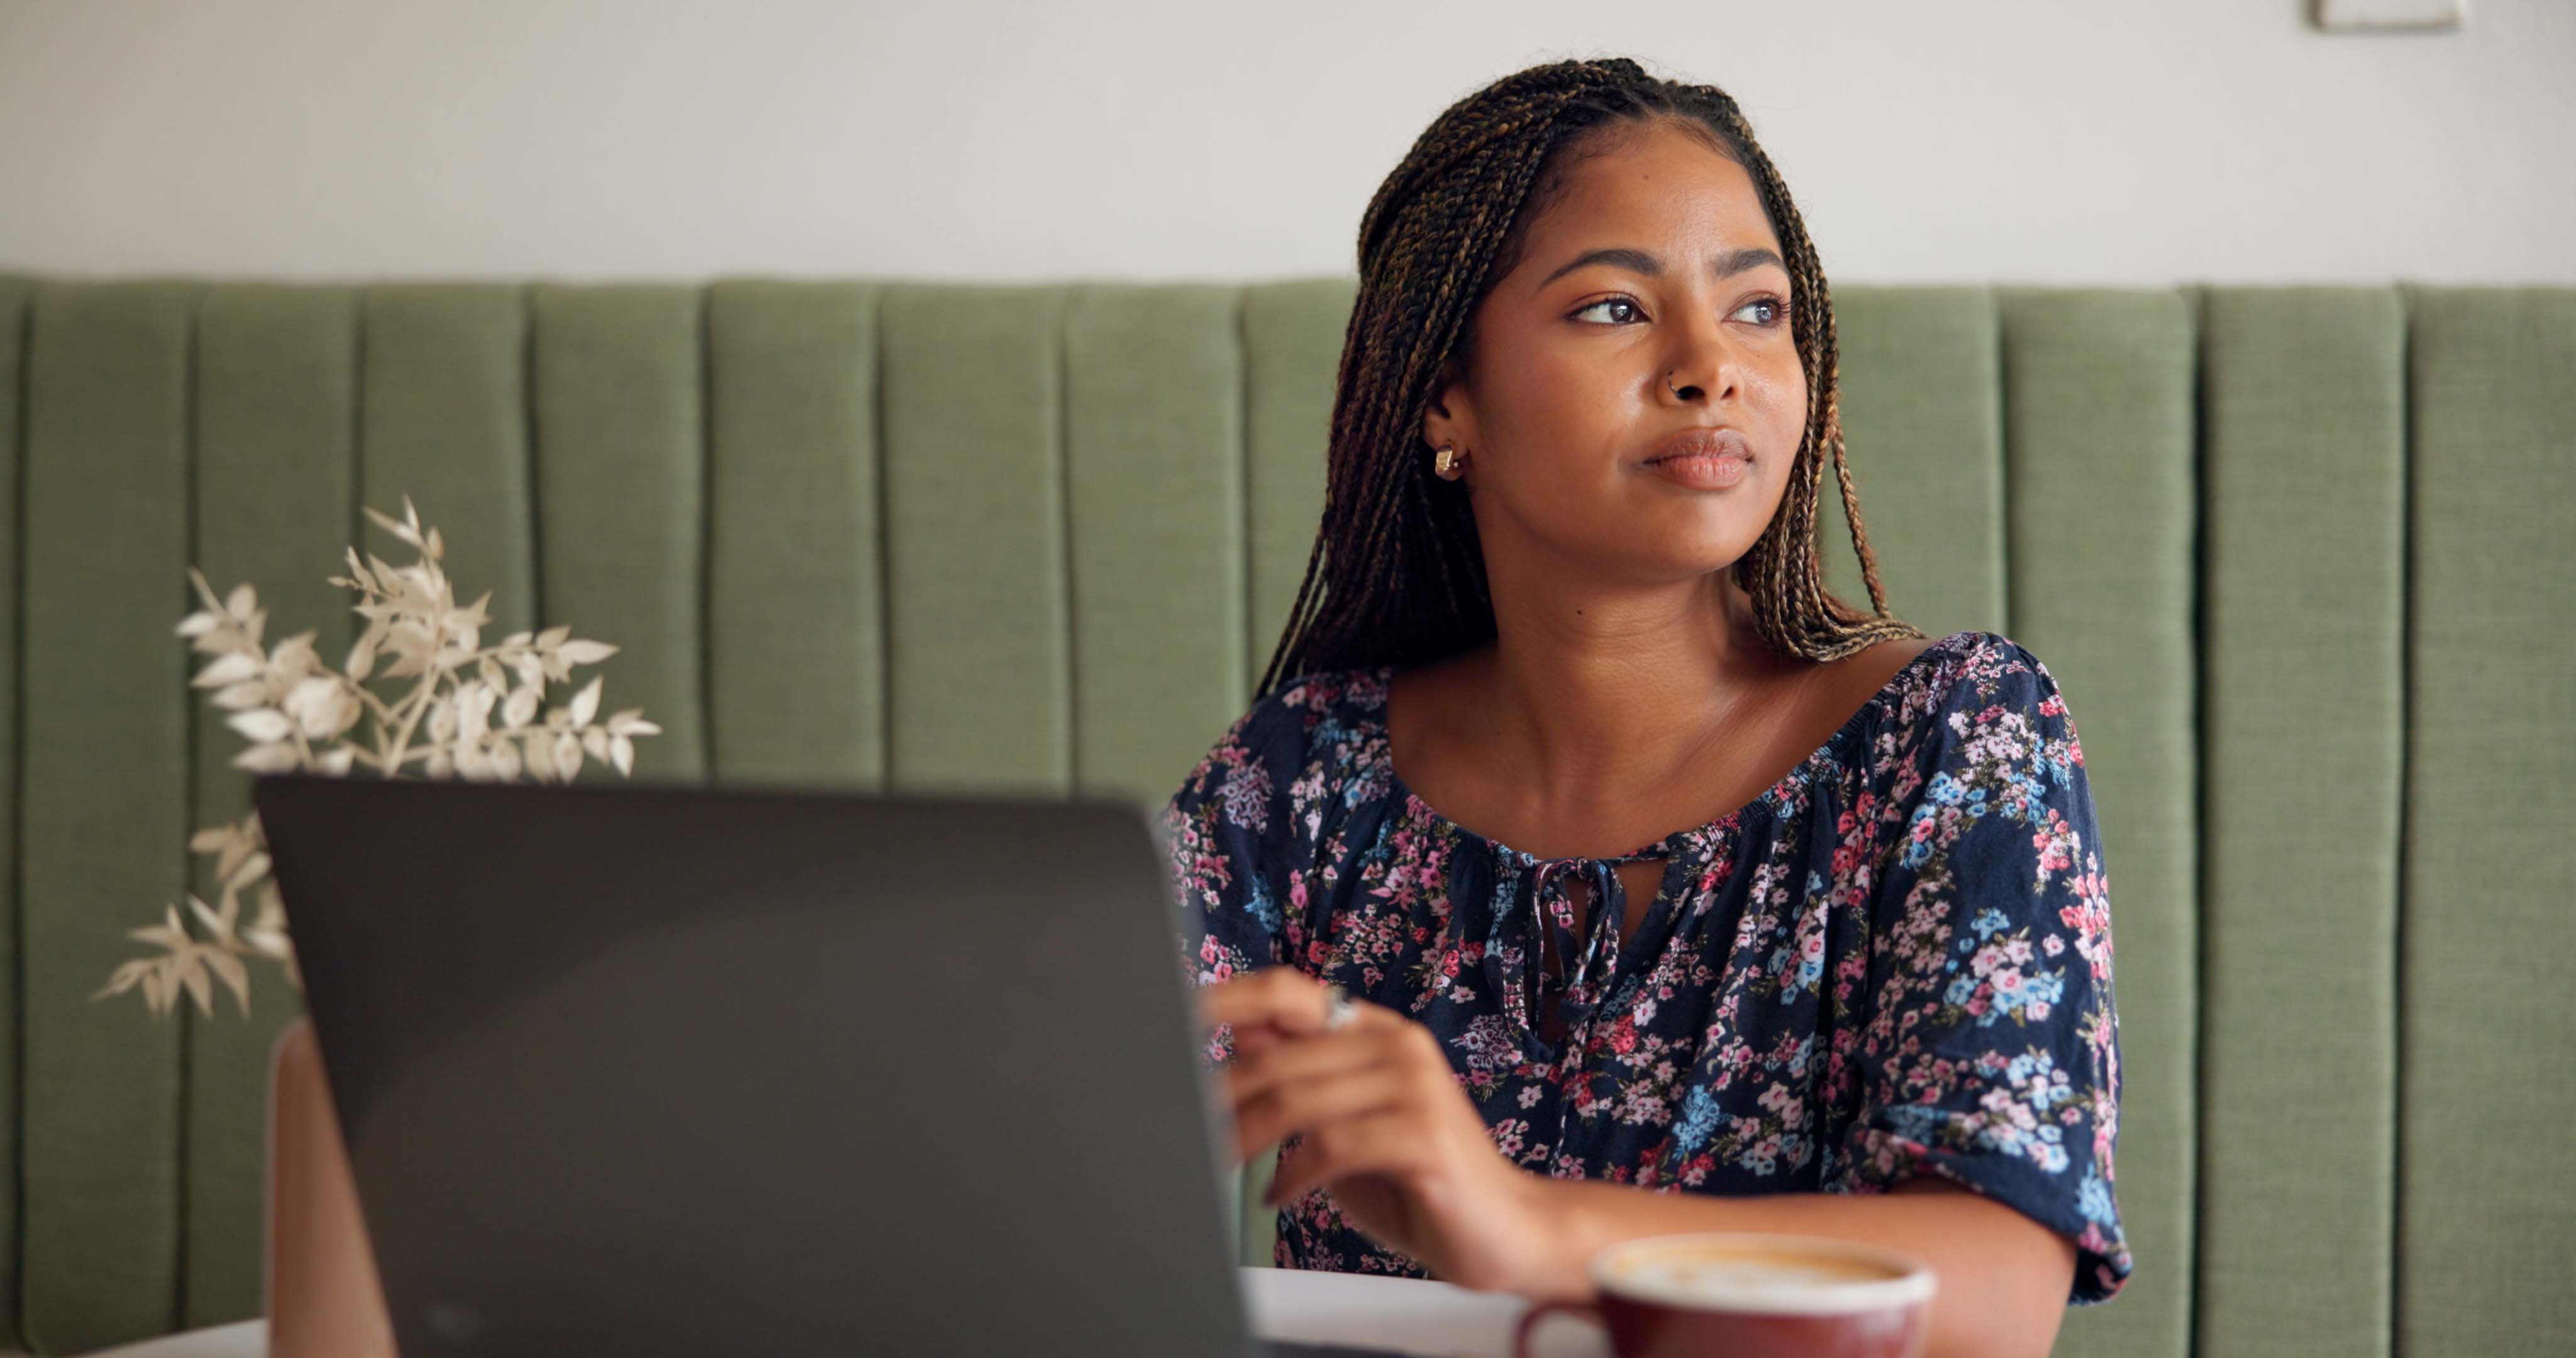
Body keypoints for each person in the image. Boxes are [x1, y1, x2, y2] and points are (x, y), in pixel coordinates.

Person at [1161, 56, 2132, 1358]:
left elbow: (1996, 1292)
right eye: (1615, 308)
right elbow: (1043, 1121)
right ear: (1445, 391)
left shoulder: (1952, 738)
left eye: (1756, 309)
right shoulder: (1305, 781)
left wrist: (1519, 1225)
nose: (1708, 367)